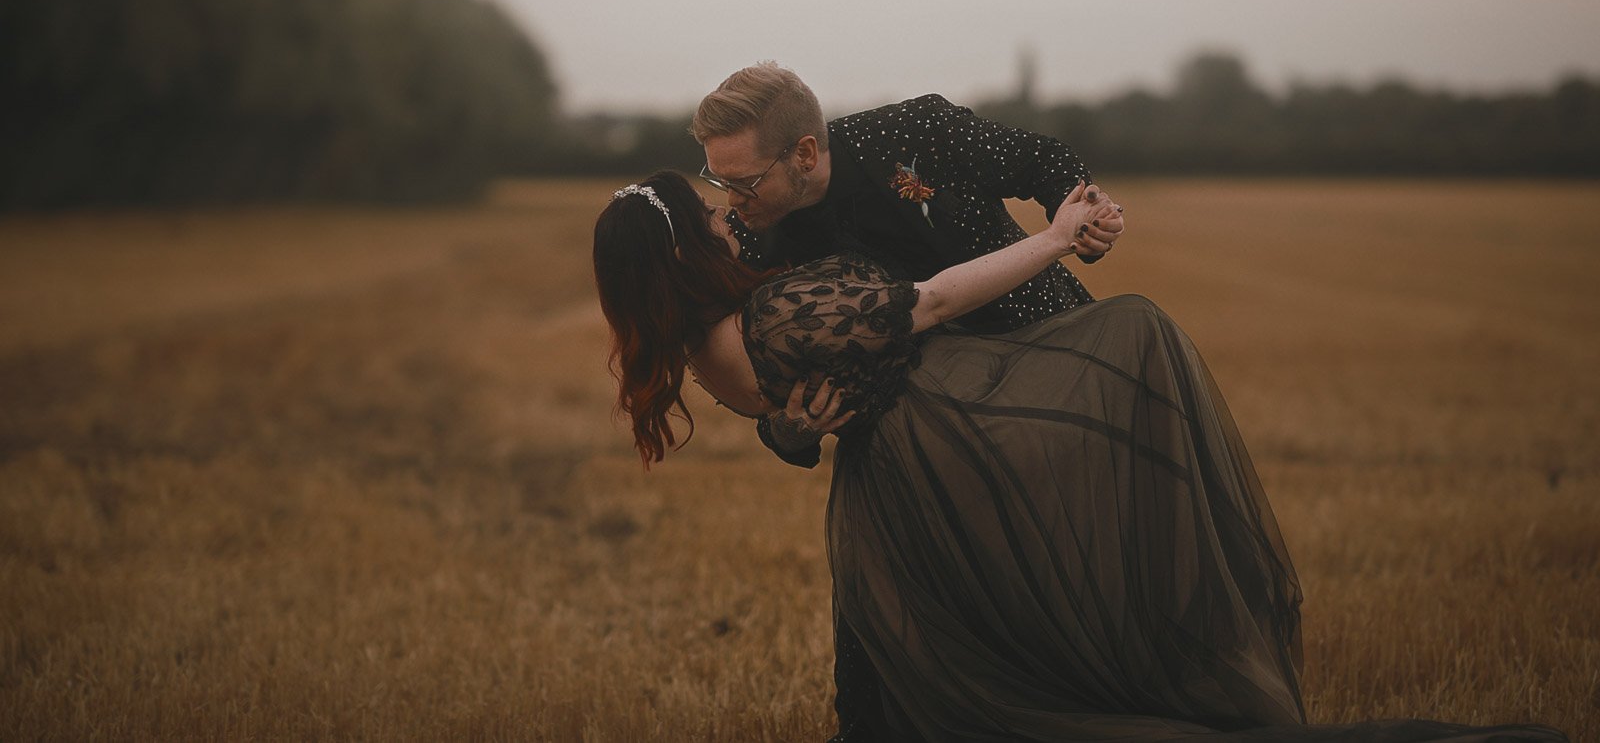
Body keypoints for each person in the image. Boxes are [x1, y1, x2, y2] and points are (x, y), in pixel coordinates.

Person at [591, 170, 1566, 742]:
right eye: (711, 218)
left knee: (917, 696)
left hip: (884, 501)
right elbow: (934, 300)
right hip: (952, 449)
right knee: (1133, 336)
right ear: (681, 252)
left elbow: (790, 412)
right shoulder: (772, 312)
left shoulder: (705, 348)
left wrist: (790, 434)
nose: (729, 218)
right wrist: (1055, 238)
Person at [693, 62, 1125, 737]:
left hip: (1038, 374)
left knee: (1055, 588)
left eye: (745, 181)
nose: (733, 199)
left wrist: (1090, 218)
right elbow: (761, 383)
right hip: (909, 434)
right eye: (719, 180)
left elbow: (1043, 162)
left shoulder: (914, 131)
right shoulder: (752, 243)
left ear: (804, 153)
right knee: (881, 599)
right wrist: (790, 431)